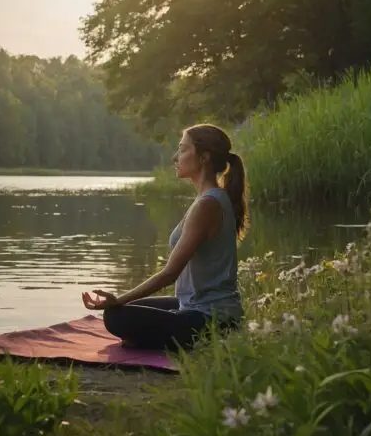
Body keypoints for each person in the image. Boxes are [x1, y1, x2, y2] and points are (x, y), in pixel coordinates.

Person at [81, 123, 248, 351]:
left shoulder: (208, 204)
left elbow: (170, 274)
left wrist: (119, 299)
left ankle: (185, 339)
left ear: (204, 158)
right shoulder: (209, 199)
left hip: (213, 319)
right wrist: (122, 301)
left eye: (183, 149)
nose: (174, 157)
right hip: (195, 307)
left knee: (116, 316)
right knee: (124, 311)